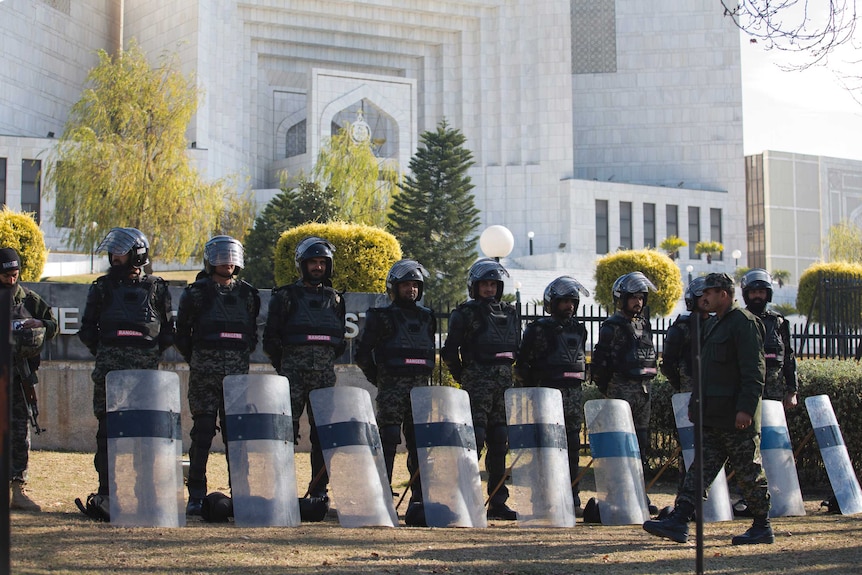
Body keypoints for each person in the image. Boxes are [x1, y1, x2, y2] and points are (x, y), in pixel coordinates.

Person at [643, 272, 773, 545]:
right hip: (712, 414)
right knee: (699, 470)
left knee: (749, 471)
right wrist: (695, 402)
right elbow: (706, 371)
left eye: (709, 293)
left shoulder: (745, 324)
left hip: (735, 415)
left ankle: (763, 525)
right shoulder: (715, 325)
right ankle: (680, 521)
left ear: (723, 294)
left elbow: (754, 371)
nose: (704, 298)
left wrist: (746, 409)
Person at [76, 227, 174, 520]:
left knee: (145, 434)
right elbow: (87, 330)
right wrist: (109, 354)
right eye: (113, 252)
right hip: (109, 371)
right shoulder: (101, 288)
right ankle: (107, 494)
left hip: (145, 374)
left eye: (121, 251)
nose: (115, 257)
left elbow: (168, 332)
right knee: (107, 433)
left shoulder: (157, 287)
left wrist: (146, 355)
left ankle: (147, 495)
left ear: (137, 254)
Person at [175, 236, 260, 516]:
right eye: (221, 257)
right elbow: (182, 334)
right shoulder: (196, 293)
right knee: (202, 433)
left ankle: (242, 493)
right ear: (211, 260)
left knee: (237, 436)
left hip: (237, 376)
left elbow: (252, 336)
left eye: (231, 257)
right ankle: (196, 494)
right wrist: (201, 359)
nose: (227, 262)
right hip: (204, 374)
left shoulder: (248, 295)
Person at [263, 236, 346, 501]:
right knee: (285, 431)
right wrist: (286, 366)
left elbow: (339, 340)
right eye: (313, 262)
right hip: (292, 374)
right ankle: (281, 490)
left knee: (323, 433)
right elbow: (271, 339)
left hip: (323, 376)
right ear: (303, 265)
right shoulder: (285, 296)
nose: (318, 267)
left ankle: (319, 491)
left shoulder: (335, 300)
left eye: (322, 263)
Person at [355, 259, 435, 524]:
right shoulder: (381, 317)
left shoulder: (427, 317)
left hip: (420, 390)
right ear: (394, 288)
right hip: (391, 387)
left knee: (419, 442)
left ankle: (420, 499)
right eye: (405, 285)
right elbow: (363, 353)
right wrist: (380, 379)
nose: (411, 290)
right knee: (388, 438)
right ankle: (382, 495)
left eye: (415, 285)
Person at [442, 258, 519, 520]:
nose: (490, 289)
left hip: (503, 385)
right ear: (474, 287)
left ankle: (498, 500)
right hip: (476, 383)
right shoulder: (464, 314)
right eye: (484, 285)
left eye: (493, 285)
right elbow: (449, 351)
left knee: (499, 442)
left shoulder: (510, 313)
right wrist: (464, 376)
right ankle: (463, 498)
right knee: (473, 441)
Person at [514, 275, 590, 516]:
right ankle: (542, 498)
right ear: (552, 303)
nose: (569, 306)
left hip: (573, 395)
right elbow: (524, 364)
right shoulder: (538, 329)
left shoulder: (580, 329)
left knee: (572, 447)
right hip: (546, 395)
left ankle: (572, 497)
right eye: (564, 301)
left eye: (572, 302)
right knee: (545, 448)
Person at [2, 247, 58, 511]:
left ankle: (18, 489)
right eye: (5, 276)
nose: (11, 280)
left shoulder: (30, 300)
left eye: (14, 275)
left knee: (19, 432)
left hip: (20, 377)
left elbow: (52, 325)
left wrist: (37, 327)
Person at [591, 271, 658, 475]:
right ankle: (619, 489)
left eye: (640, 297)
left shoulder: (643, 324)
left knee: (641, 441)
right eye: (633, 298)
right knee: (620, 442)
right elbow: (600, 362)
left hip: (643, 390)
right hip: (621, 389)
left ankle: (639, 493)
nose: (637, 302)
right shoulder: (612, 326)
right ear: (622, 299)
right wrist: (608, 387)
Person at [660, 275, 709, 490]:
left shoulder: (720, 325)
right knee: (689, 445)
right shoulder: (681, 328)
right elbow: (668, 363)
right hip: (689, 392)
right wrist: (681, 385)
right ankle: (686, 492)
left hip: (714, 391)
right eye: (702, 296)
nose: (706, 300)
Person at [740, 269, 797, 408]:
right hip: (745, 393)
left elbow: (788, 356)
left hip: (774, 395)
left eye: (761, 292)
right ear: (747, 295)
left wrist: (792, 391)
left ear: (768, 294)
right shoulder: (739, 320)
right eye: (753, 292)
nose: (757, 296)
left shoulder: (778, 322)